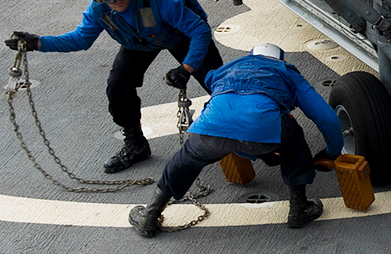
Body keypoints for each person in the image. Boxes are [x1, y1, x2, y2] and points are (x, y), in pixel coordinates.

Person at [4, 0, 224, 173]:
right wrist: (38, 43)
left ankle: (243, 133)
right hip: (138, 41)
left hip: (181, 35)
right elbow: (81, 39)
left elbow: (199, 30)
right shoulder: (99, 9)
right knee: (118, 85)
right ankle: (136, 144)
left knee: (219, 85)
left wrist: (187, 67)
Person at [132, 43, 343, 237]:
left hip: (213, 128)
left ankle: (150, 216)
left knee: (185, 160)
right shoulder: (286, 70)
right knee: (293, 138)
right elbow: (325, 117)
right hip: (263, 129)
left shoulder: (229, 68)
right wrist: (332, 152)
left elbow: (225, 103)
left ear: (250, 57)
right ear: (280, 59)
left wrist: (254, 152)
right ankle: (299, 208)